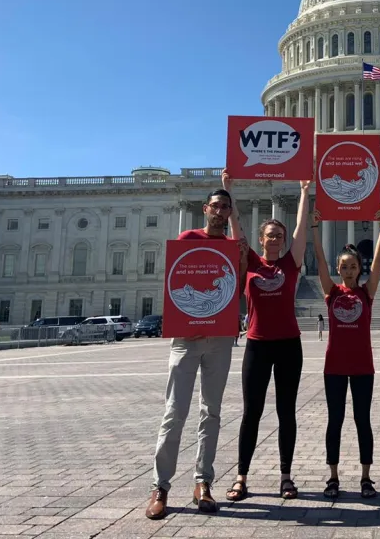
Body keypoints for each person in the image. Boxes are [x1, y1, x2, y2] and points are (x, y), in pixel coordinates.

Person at [147, 171, 248, 520]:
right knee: (174, 412)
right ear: (205, 209)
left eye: (226, 208)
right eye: (216, 206)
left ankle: (203, 482)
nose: (220, 212)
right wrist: (182, 320)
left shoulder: (234, 246)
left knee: (212, 412)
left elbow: (242, 268)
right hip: (186, 338)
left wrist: (233, 193)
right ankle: (160, 485)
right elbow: (180, 276)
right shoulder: (188, 236)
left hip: (219, 339)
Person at [226, 180, 312, 502]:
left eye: (279, 235)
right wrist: (230, 190)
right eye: (269, 235)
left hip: (289, 343)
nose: (275, 239)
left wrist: (304, 192)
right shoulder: (250, 263)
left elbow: (302, 228)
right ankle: (241, 476)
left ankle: (286, 477)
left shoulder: (290, 263)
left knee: (286, 411)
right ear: (261, 240)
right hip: (258, 344)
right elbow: (236, 228)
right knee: (252, 412)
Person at [311, 207, 380, 499]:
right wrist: (315, 230)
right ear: (339, 269)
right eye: (344, 266)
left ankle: (366, 477)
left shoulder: (366, 293)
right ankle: (333, 477)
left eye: (353, 266)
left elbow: (378, 261)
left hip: (362, 366)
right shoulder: (332, 292)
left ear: (359, 268)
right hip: (334, 366)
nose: (349, 270)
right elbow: (319, 260)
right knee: (335, 421)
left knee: (362, 420)